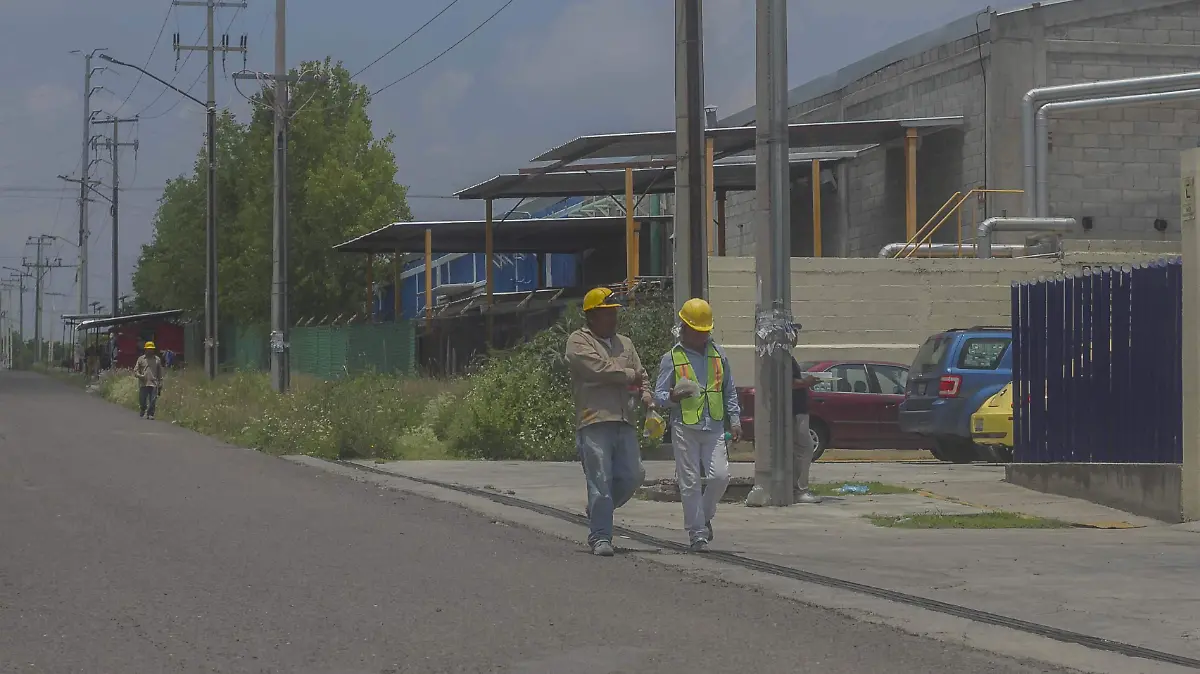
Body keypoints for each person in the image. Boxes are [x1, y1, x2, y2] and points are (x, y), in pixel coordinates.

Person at [565, 287, 652, 558]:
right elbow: (598, 369)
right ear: (592, 316)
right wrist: (628, 375)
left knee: (634, 475)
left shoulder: (625, 343)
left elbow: (642, 374)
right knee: (600, 480)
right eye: (607, 313)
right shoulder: (578, 342)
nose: (614, 318)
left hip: (625, 418)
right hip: (594, 420)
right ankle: (601, 536)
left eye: (614, 312)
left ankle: (598, 510)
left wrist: (647, 394)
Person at [654, 298, 740, 552]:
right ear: (685, 328)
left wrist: (734, 420)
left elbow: (729, 390)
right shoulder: (672, 358)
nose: (703, 335)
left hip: (713, 424)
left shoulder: (718, 354)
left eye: (706, 331)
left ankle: (703, 517)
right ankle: (697, 533)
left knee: (720, 476)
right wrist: (672, 397)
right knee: (689, 481)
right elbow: (659, 396)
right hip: (685, 426)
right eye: (698, 330)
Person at [792, 355, 824, 504]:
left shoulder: (787, 356)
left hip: (799, 410)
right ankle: (799, 489)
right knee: (805, 448)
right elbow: (787, 382)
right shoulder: (782, 357)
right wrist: (806, 382)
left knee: (801, 449)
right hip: (795, 411)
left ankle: (796, 488)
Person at [134, 341, 165, 420]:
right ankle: (143, 410)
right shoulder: (141, 359)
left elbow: (160, 372)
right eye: (148, 349)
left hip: (153, 383)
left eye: (151, 349)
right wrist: (139, 376)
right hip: (143, 383)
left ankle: (151, 414)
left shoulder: (157, 359)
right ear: (145, 349)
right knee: (142, 400)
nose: (150, 350)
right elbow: (135, 370)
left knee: (153, 400)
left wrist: (160, 382)